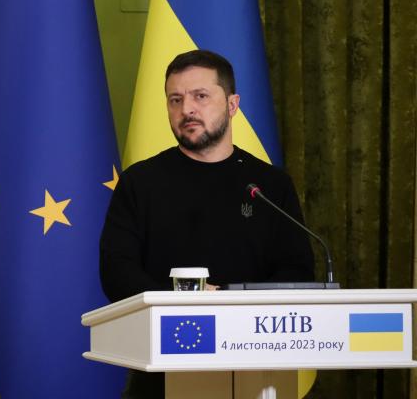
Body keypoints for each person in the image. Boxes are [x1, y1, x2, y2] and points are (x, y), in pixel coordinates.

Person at [99, 49, 315, 398]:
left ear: (232, 105)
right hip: (161, 371)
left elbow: (297, 271)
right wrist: (183, 303)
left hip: (255, 368)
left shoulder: (269, 186)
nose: (187, 109)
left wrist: (229, 303)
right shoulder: (140, 182)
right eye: (175, 99)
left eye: (200, 96)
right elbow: (116, 271)